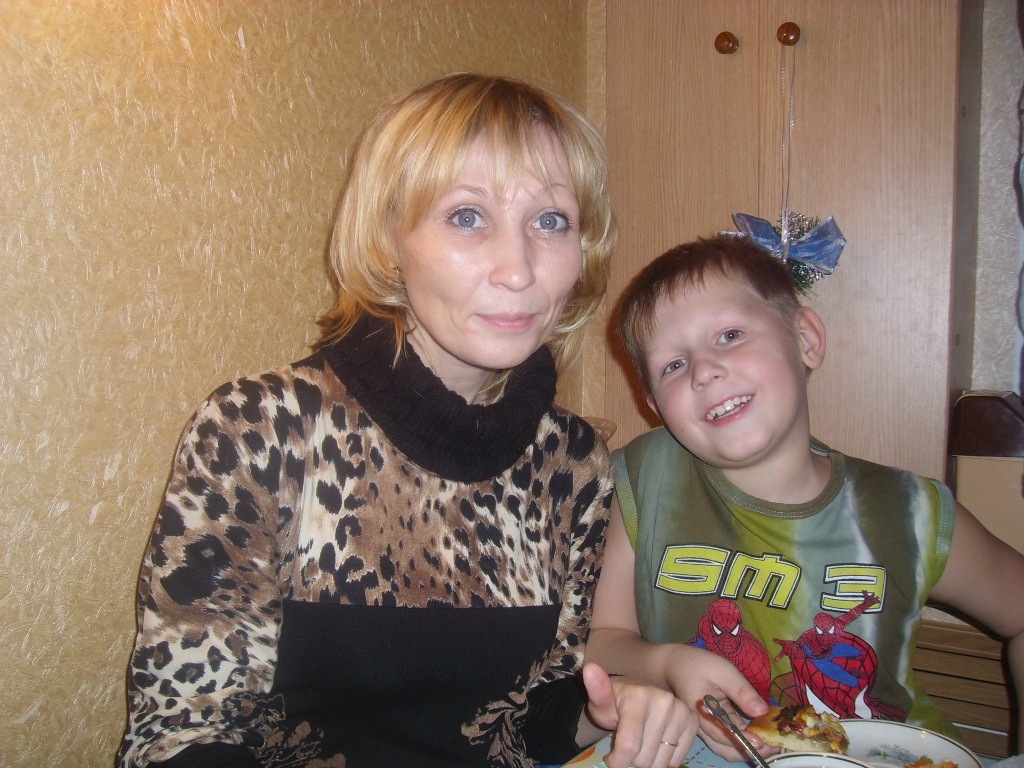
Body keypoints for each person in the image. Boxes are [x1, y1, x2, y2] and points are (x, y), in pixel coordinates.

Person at [116, 73, 750, 768]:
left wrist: (609, 710)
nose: (519, 269)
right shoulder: (261, 430)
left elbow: (525, 724)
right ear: (388, 239)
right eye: (468, 216)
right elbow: (182, 733)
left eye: (550, 221)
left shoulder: (573, 462)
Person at [586, 234, 1024, 752]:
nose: (704, 370)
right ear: (655, 406)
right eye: (673, 365)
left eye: (729, 335)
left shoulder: (910, 514)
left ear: (806, 339)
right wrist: (667, 666)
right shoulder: (646, 479)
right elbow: (603, 642)